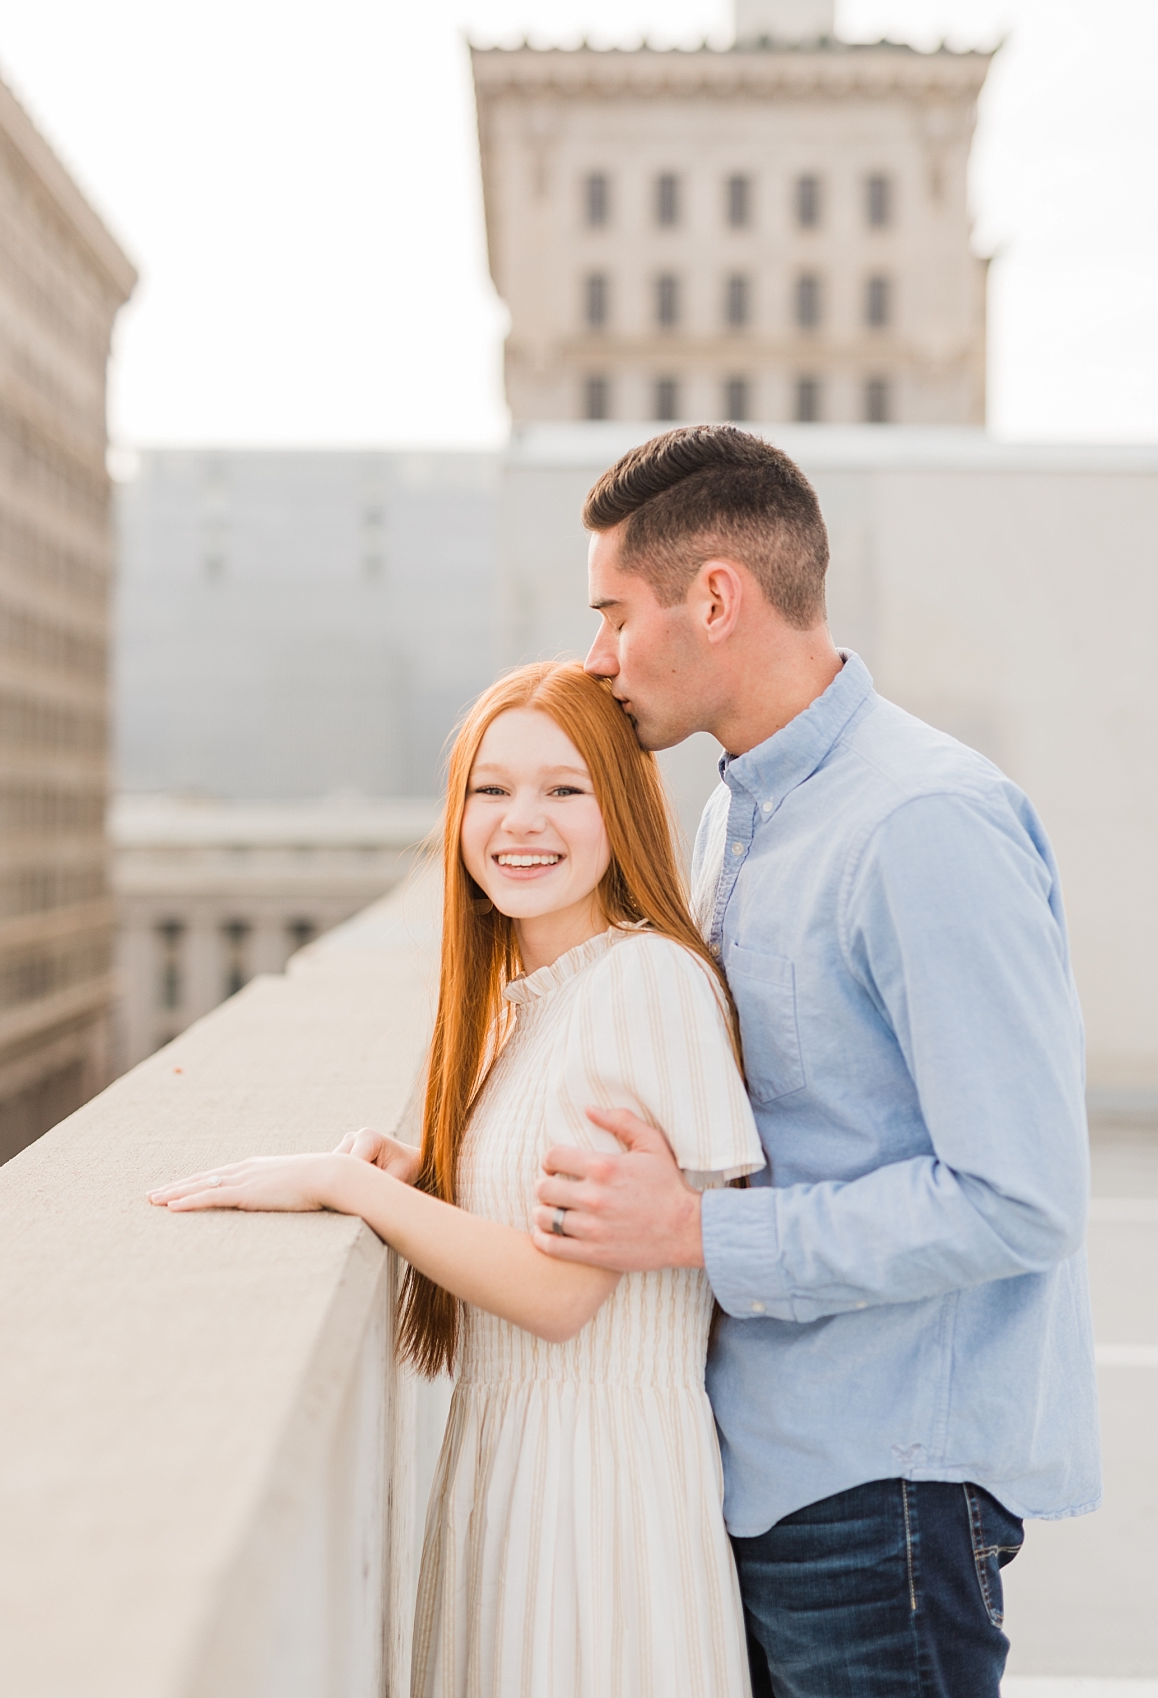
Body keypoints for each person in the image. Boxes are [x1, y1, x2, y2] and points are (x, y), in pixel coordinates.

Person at [527, 423, 1101, 1697]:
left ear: (715, 599)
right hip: (770, 1467)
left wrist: (696, 1235)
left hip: (883, 1490)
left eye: (615, 613)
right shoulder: (738, 805)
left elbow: (1021, 1193)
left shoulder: (922, 823)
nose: (596, 656)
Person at [149, 660, 764, 1698]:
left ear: (622, 806)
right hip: (510, 1468)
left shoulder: (646, 982)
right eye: (492, 789)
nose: (521, 821)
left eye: (564, 789)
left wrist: (353, 1189)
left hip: (600, 1495)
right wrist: (430, 1171)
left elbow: (563, 1291)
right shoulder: (523, 1006)